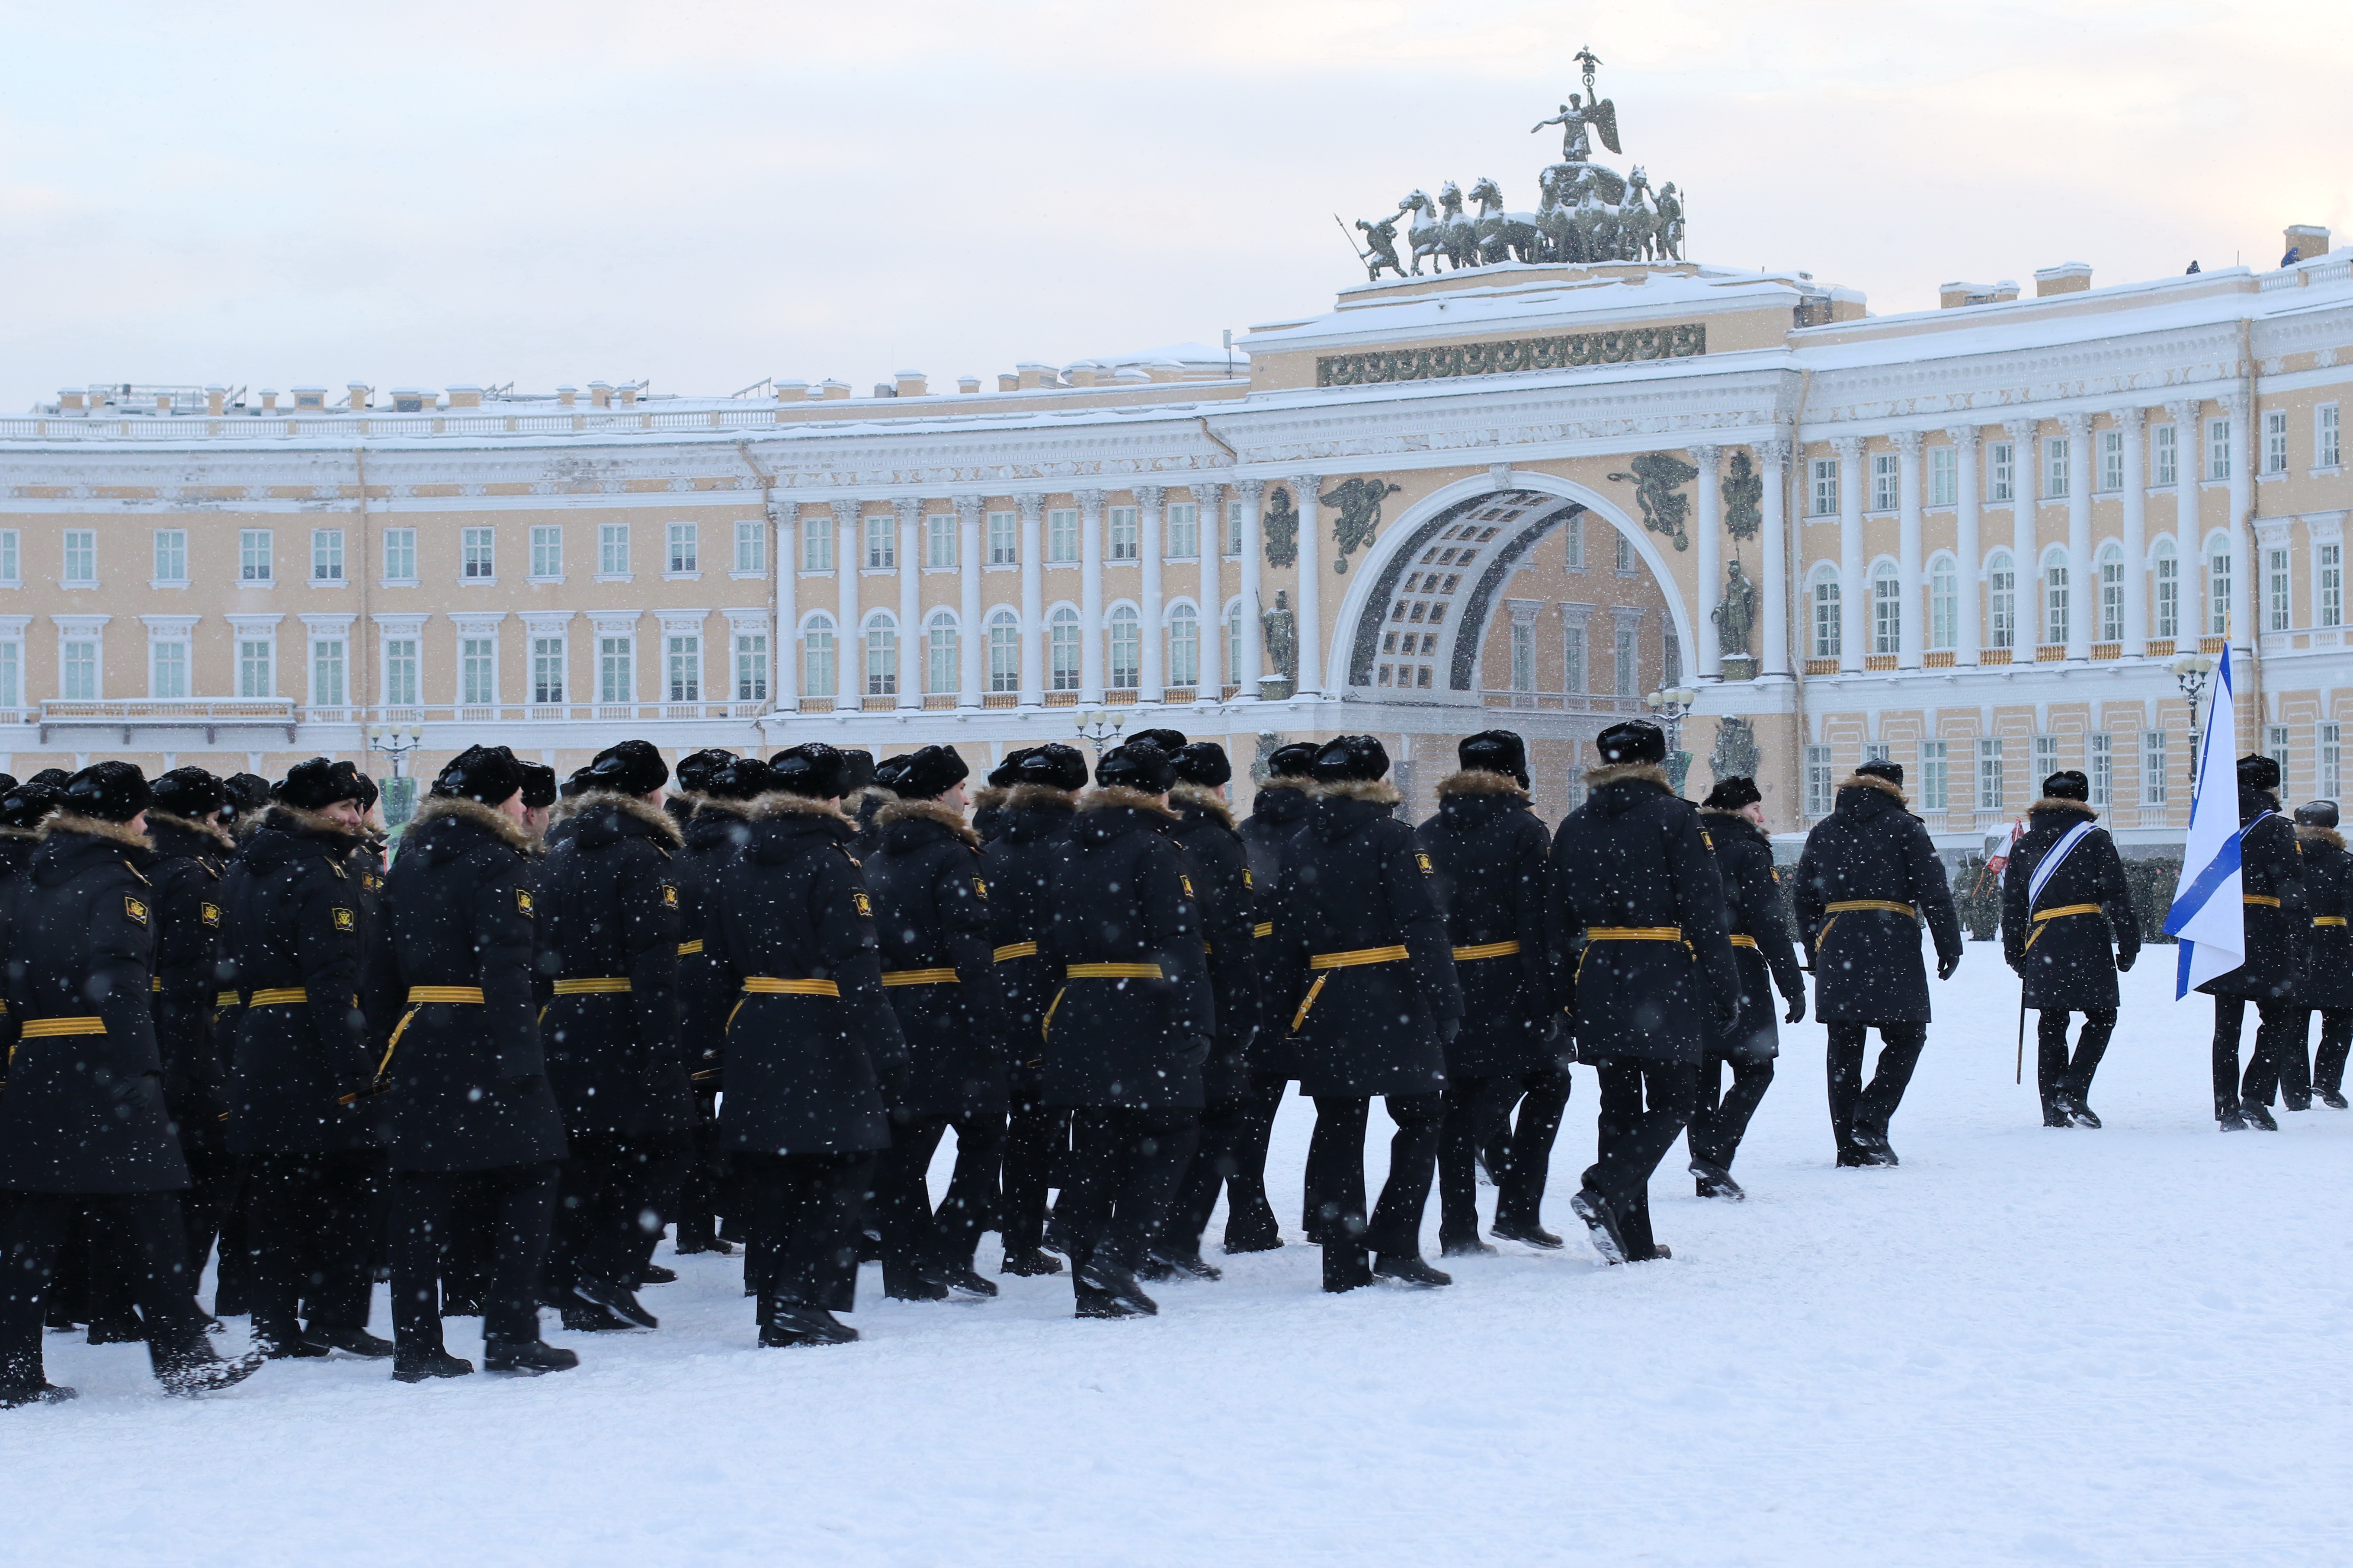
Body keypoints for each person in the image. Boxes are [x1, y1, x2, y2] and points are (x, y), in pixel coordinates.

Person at [0, 762, 263, 1405]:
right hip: (105, 1064)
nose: (148, 823)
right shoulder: (118, 882)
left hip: (37, 1063)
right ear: (121, 817)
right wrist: (145, 1067)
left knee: (34, 1227)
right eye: (141, 812)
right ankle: (181, 1355)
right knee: (153, 1214)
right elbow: (119, 983)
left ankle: (13, 1368)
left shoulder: (34, 878)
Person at [362, 745, 574, 1381]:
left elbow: (379, 970)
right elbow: (507, 967)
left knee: (421, 1193)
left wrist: (383, 1046)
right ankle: (511, 1330)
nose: (523, 807)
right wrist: (524, 1057)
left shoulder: (411, 861)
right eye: (516, 796)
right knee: (534, 1173)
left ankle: (416, 1342)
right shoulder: (499, 863)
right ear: (500, 799)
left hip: (421, 1035)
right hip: (486, 1035)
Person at [705, 746, 907, 1346]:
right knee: (842, 1166)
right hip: (824, 1027)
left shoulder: (741, 860)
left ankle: (775, 1303)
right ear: (830, 797)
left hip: (757, 1025)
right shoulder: (831, 862)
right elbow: (857, 964)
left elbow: (716, 962)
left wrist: (711, 1038)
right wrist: (889, 1047)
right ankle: (802, 1297)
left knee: (775, 1175)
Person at [1266, 734, 1462, 1293]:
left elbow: (1286, 936)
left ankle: (1342, 1260)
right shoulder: (1393, 835)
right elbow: (1421, 922)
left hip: (1324, 994)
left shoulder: (1302, 841)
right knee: (1422, 1119)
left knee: (1338, 1126)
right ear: (1378, 777)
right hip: (1392, 991)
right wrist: (1446, 1000)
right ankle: (1397, 1241)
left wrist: (1282, 1009)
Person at [1549, 721, 1739, 1263]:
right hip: (1660, 969)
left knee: (1619, 1106)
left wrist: (1563, 990)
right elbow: (1705, 910)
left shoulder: (1575, 823)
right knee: (1676, 1099)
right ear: (1657, 761)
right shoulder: (1676, 817)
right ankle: (1605, 1186)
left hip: (1599, 970)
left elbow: (1555, 917)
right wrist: (1727, 987)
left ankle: (1630, 1237)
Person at [222, 758, 390, 1360]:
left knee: (274, 1193)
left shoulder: (247, 864)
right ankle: (336, 1314)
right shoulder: (321, 873)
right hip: (314, 1046)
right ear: (315, 810)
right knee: (354, 1184)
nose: (355, 817)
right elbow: (331, 982)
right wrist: (357, 1071)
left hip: (261, 1036)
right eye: (345, 807)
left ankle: (274, 1321)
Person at [1039, 739, 1213, 1317]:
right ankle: (1118, 1256)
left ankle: (1091, 1289)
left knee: (1095, 1150)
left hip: (1080, 1009)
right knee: (1172, 1136)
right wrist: (1197, 1019)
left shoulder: (1065, 849)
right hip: (1145, 1007)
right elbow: (1181, 943)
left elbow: (1048, 946)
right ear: (1155, 790)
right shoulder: (1157, 850)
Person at [538, 740, 692, 1333]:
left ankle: (574, 1282)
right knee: (667, 1153)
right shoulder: (644, 856)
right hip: (625, 1023)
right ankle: (607, 1269)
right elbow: (654, 962)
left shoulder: (562, 849)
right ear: (653, 792)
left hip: (566, 1023)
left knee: (588, 1162)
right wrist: (663, 1047)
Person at [864, 744, 1003, 1301]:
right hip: (951, 1012)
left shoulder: (875, 859)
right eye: (959, 787)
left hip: (896, 1015)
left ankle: (905, 1268)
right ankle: (948, 1247)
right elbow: (970, 943)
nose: (966, 797)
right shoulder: (952, 856)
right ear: (939, 794)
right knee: (986, 1134)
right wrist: (990, 1018)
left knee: (904, 1150)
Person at [1413, 730, 1555, 1253]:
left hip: (1447, 985)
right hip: (1509, 980)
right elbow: (1537, 922)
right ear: (1515, 772)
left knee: (1457, 1098)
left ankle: (1458, 1229)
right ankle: (1517, 1209)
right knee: (1547, 1082)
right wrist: (1548, 997)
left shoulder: (1427, 831)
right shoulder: (1524, 830)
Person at [1793, 758, 1963, 1166]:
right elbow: (1934, 891)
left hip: (1838, 943)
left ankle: (1848, 1149)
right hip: (1893, 944)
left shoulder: (1824, 830)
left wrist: (1814, 949)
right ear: (1896, 789)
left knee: (1844, 1048)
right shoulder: (1907, 827)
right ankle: (1870, 1121)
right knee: (1908, 1036)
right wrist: (1949, 945)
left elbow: (1802, 897)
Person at [1153, 740, 1262, 1280]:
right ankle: (1176, 1236)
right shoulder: (1218, 841)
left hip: (1149, 997)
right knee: (1217, 1118)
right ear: (1220, 787)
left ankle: (1147, 1229)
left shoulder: (1155, 834)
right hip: (1209, 995)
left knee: (1162, 1123)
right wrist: (1242, 1013)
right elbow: (1235, 936)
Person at [978, 742, 1087, 1277]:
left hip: (1003, 989)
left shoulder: (991, 847)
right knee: (1087, 1120)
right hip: (1066, 989)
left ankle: (1019, 1242)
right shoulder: (1078, 845)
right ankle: (1075, 1223)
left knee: (1023, 1125)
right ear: (1073, 790)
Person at [144, 768, 242, 1285]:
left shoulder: (145, 860)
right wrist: (187, 1062)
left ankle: (126, 1297)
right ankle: (171, 1290)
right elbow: (190, 973)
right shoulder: (192, 871)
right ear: (205, 815)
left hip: (143, 1028)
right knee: (213, 1162)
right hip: (183, 1033)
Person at [1999, 769, 2140, 1129]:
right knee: (2103, 1016)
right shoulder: (2094, 838)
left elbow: (2013, 904)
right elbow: (2117, 896)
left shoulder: (2025, 844)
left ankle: (2053, 1110)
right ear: (2084, 800)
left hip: (2043, 939)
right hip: (2087, 936)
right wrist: (2129, 942)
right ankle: (2075, 1089)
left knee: (2052, 1022)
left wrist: (2015, 950)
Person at [1688, 776, 1805, 1196]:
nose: (1762, 816)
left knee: (1702, 1073)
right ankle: (1713, 1154)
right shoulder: (1748, 848)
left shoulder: (1687, 842)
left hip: (1687, 967)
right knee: (1756, 1069)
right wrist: (1792, 984)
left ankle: (1707, 1170)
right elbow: (1770, 923)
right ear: (1739, 809)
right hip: (1738, 966)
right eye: (1756, 807)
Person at [1225, 740, 1319, 1253]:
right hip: (1317, 976)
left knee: (1254, 1110)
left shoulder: (1244, 831)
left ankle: (1249, 1217)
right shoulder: (1322, 830)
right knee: (1337, 1109)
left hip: (1254, 978)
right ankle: (1328, 1213)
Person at [2203, 755, 2307, 1130]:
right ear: (2270, 788)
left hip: (2223, 930)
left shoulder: (2215, 824)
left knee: (2226, 1027)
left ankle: (2226, 1106)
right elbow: (2292, 888)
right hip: (2266, 929)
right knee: (2277, 1018)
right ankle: (2256, 1097)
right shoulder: (2276, 826)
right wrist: (2303, 938)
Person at [2294, 800, 2351, 1111]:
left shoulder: (2287, 861)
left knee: (2292, 1024)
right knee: (2341, 1020)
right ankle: (2327, 1081)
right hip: (2335, 948)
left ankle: (2295, 1091)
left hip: (2294, 949)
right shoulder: (2344, 863)